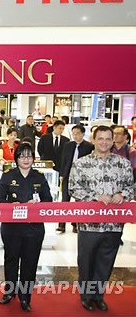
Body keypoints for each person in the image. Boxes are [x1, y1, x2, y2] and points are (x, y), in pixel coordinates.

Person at [69, 126, 133, 312]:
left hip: (113, 225)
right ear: (94, 139)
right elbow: (73, 188)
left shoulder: (123, 164)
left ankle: (98, 296)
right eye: (100, 138)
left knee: (106, 261)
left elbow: (131, 186)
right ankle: (86, 296)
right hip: (89, 225)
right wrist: (95, 196)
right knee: (87, 261)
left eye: (108, 139)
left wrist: (123, 194)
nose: (104, 142)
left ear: (113, 141)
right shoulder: (81, 164)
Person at [0, 142, 53, 312]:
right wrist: (11, 204)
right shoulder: (7, 175)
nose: (26, 159)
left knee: (30, 263)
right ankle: (9, 292)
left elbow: (48, 200)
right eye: (22, 156)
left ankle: (25, 297)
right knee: (11, 259)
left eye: (29, 156)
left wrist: (37, 204)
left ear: (33, 159)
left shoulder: (39, 177)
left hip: (33, 228)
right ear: (16, 158)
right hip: (11, 227)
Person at [57, 124, 93, 233]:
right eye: (73, 134)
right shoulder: (68, 145)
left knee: (79, 201)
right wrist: (62, 174)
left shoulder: (89, 146)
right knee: (65, 200)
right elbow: (63, 160)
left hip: (81, 177)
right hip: (68, 175)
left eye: (77, 133)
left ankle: (76, 224)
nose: (75, 136)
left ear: (82, 134)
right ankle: (62, 224)